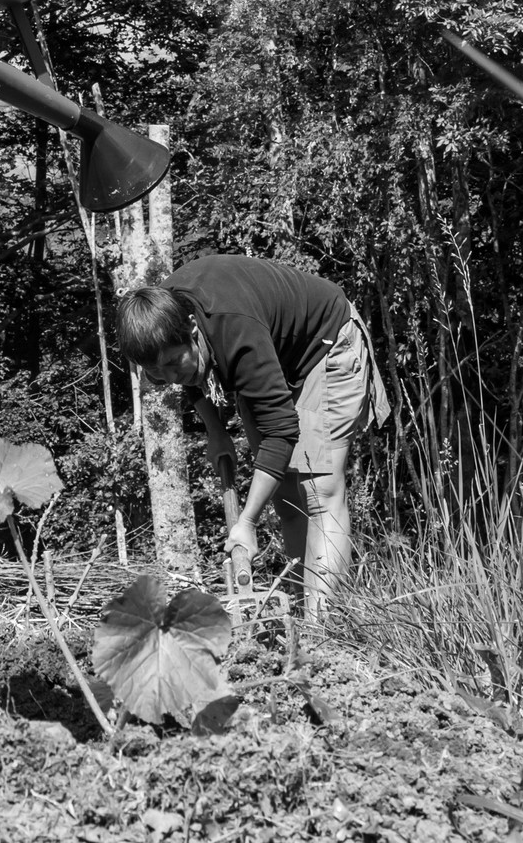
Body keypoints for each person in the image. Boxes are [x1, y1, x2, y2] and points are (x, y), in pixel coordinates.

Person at [114, 255, 390, 621]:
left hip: (325, 342)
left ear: (193, 330)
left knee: (319, 488)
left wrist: (246, 523)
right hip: (276, 357)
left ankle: (324, 629)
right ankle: (299, 611)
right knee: (287, 493)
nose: (168, 376)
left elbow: (280, 430)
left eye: (172, 363)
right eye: (155, 373)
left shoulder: (233, 329)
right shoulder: (159, 322)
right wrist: (215, 432)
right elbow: (192, 378)